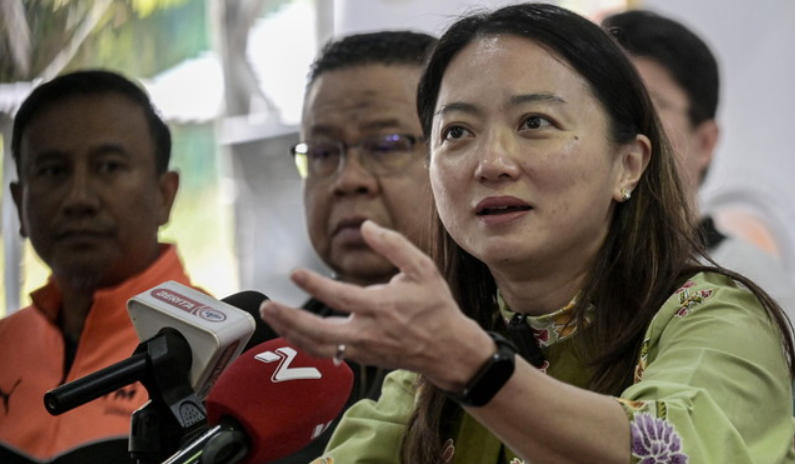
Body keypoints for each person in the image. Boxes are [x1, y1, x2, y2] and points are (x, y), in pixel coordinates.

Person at [260, 3, 795, 464]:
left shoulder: (717, 318)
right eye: (457, 132)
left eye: (535, 123)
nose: (491, 163)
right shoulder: (430, 370)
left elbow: (671, 450)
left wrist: (475, 369)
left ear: (628, 164)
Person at [0, 70, 195, 463]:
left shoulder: (217, 353)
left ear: (165, 194)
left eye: (108, 167)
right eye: (53, 171)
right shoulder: (5, 346)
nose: (79, 198)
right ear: (20, 203)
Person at [270, 31, 437, 463]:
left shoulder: (508, 352)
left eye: (386, 145)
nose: (347, 180)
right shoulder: (269, 361)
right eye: (323, 153)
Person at [602, 9, 795, 324]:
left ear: (704, 142)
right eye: (605, 102)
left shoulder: (754, 287)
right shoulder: (556, 274)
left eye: (648, 105)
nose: (619, 123)